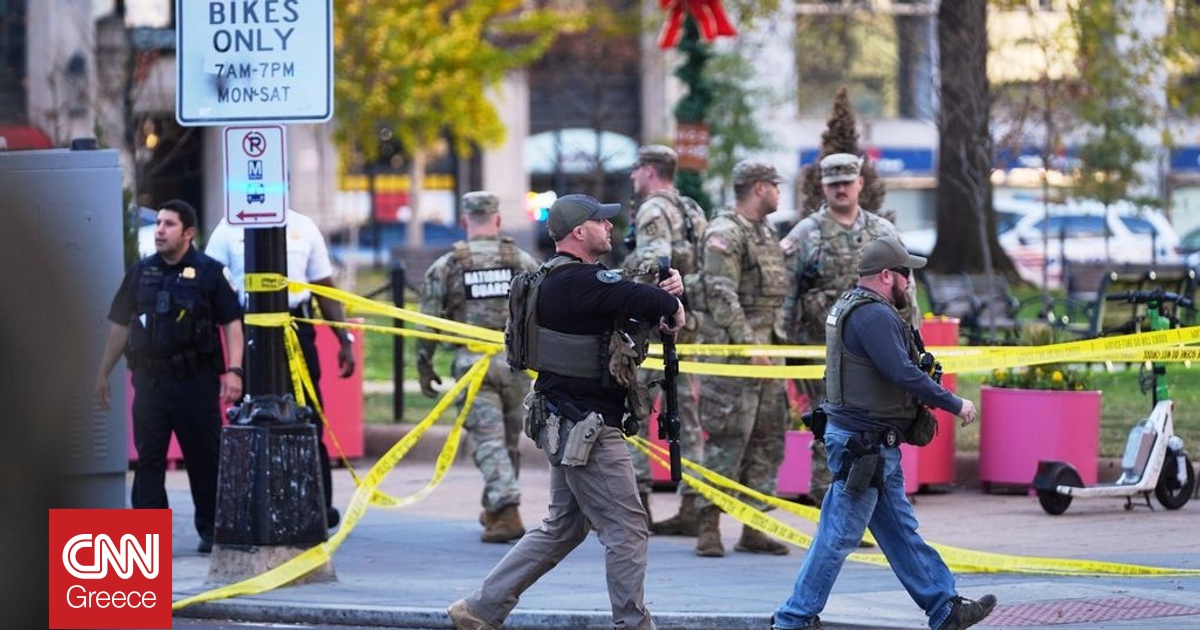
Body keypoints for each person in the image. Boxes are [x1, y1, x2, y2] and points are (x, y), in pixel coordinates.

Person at [447, 193, 685, 630]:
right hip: (590, 430)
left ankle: (481, 609)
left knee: (563, 527)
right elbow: (650, 303)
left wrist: (660, 296)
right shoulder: (580, 284)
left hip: (564, 421)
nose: (610, 228)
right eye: (601, 222)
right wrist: (673, 300)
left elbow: (625, 301)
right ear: (580, 232)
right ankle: (633, 625)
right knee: (628, 529)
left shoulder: (552, 280)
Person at [769, 235, 995, 630]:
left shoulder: (851, 305)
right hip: (864, 446)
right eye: (906, 274)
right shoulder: (874, 315)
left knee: (900, 532)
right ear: (887, 275)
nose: (910, 282)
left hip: (869, 445)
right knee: (837, 537)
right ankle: (794, 619)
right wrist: (955, 403)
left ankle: (945, 607)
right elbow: (901, 372)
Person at [93, 199, 244, 554]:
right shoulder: (141, 272)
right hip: (151, 382)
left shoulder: (210, 272)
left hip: (196, 381)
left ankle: (212, 530)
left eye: (169, 224)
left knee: (204, 457)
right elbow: (118, 326)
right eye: (158, 223)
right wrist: (102, 372)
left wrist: (235, 370)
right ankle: (147, 536)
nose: (159, 230)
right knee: (148, 461)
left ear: (188, 233)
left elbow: (231, 324)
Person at [205, 207, 356, 529]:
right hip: (250, 330)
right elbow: (210, 286)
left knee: (308, 414)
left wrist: (344, 339)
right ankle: (253, 505)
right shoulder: (228, 228)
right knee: (250, 419)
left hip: (296, 329)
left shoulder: (304, 226)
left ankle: (318, 506)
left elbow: (323, 288)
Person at [780, 153, 913, 507]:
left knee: (870, 424)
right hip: (820, 349)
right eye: (833, 183)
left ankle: (865, 500)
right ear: (823, 186)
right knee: (829, 422)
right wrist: (782, 345)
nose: (841, 189)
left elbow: (905, 289)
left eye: (846, 182)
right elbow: (786, 293)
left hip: (873, 353)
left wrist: (909, 338)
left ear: (860, 184)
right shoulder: (806, 233)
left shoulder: (882, 232)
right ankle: (830, 498)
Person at [417, 191, 541, 543]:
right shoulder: (522, 261)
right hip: (517, 364)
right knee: (508, 441)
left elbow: (427, 322)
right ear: (498, 220)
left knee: (487, 440)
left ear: (464, 221)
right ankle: (496, 510)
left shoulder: (448, 265)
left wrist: (424, 366)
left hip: (474, 366)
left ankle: (508, 507)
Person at [692, 160, 790, 558]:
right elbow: (720, 294)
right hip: (735, 359)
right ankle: (707, 523)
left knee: (768, 440)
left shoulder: (765, 232)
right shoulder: (725, 232)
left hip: (770, 353)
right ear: (759, 188)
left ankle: (755, 526)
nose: (779, 194)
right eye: (775, 186)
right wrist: (751, 348)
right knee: (727, 442)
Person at [622, 144, 707, 535]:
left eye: (635, 169)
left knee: (633, 411)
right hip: (689, 325)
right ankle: (693, 503)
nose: (631, 176)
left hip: (655, 330)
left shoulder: (653, 210)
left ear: (650, 171)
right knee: (687, 417)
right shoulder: (692, 209)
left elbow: (654, 267)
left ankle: (637, 505)